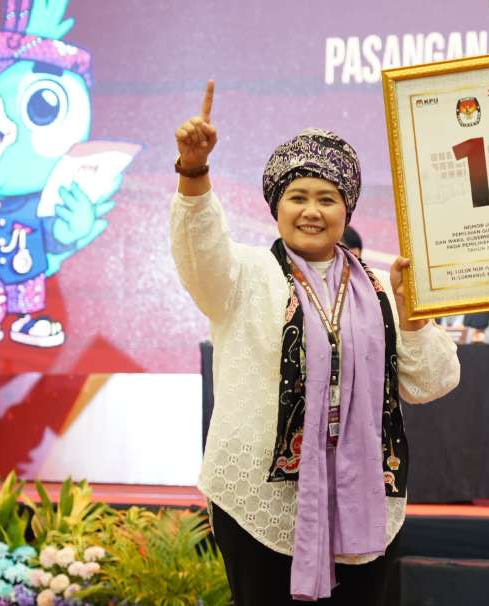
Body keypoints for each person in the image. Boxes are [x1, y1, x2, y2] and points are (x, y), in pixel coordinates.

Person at [169, 82, 460, 605]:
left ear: (346, 211)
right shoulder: (246, 275)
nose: (311, 210)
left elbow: (432, 383)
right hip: (259, 499)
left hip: (364, 501)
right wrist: (194, 172)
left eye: (327, 198)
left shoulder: (379, 285)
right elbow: (199, 251)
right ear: (275, 208)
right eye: (297, 197)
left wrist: (414, 320)